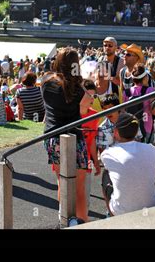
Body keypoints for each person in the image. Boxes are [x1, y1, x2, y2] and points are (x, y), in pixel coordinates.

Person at [41, 47, 89, 222]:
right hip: (74, 137)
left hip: (53, 137)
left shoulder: (46, 81)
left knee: (62, 181)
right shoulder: (80, 88)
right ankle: (83, 221)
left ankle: (65, 218)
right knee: (79, 187)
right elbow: (83, 110)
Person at [101, 113, 155, 216]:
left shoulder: (107, 154)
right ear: (137, 131)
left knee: (106, 174)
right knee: (152, 169)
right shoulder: (151, 148)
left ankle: (110, 214)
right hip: (153, 206)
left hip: (122, 211)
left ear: (116, 132)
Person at [123, 64, 155, 144]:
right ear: (145, 78)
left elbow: (123, 112)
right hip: (146, 128)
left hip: (130, 130)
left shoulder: (126, 93)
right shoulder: (150, 91)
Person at [80, 79, 101, 208]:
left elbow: (92, 140)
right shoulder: (70, 115)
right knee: (68, 196)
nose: (92, 99)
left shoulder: (94, 115)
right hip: (70, 158)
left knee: (85, 196)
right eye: (89, 95)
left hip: (86, 160)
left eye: (94, 96)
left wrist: (96, 162)